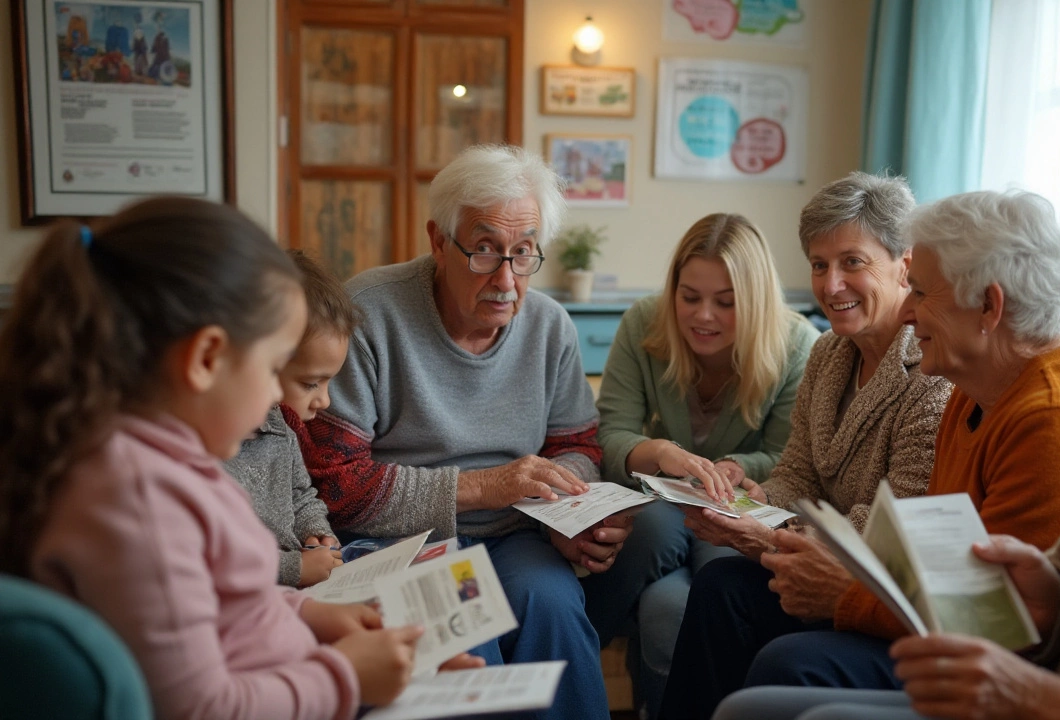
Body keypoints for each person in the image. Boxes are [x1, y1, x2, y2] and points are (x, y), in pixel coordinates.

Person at [712, 119, 1060, 720]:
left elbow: (1022, 651)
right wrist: (1053, 594)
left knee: (793, 684)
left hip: (1046, 691)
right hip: (1019, 667)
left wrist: (851, 592)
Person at [662, 189, 1060, 720]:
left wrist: (838, 588)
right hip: (940, 615)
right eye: (820, 265)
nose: (908, 313)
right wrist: (758, 514)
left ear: (989, 305)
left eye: (921, 293)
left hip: (1013, 669)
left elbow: (1007, 632)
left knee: (792, 662)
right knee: (723, 588)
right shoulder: (975, 389)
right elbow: (932, 548)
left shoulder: (1053, 419)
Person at [0, 198, 481, 720]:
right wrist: (346, 676)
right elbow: (200, 707)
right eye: (274, 368)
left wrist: (312, 613)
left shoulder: (163, 461)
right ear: (207, 359)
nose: (280, 398)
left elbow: (226, 608)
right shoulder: (141, 499)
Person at [299, 144, 629, 720]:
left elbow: (576, 446)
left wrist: (566, 510)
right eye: (484, 250)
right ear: (437, 241)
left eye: (523, 253)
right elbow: (337, 484)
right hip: (399, 546)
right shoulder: (369, 312)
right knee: (465, 629)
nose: (506, 278)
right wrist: (485, 486)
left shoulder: (550, 327)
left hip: (517, 534)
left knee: (552, 604)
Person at [658, 172, 953, 720]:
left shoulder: (933, 371)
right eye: (819, 265)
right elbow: (800, 475)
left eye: (852, 263)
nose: (831, 284)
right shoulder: (827, 355)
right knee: (721, 584)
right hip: (820, 560)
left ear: (904, 263)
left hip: (884, 593)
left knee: (758, 620)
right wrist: (748, 498)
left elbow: (898, 524)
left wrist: (769, 533)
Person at [590, 212, 820, 715]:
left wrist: (737, 466)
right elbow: (608, 436)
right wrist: (662, 453)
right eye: (689, 297)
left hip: (738, 511)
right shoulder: (644, 324)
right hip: (663, 505)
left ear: (756, 301)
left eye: (726, 302)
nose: (704, 316)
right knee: (652, 529)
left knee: (680, 596)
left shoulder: (799, 344)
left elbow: (793, 458)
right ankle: (576, 658)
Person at [223, 250, 360, 588]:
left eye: (330, 382)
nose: (325, 400)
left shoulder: (280, 428)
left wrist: (317, 533)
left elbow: (301, 496)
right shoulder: (215, 449)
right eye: (310, 383)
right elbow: (223, 556)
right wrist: (292, 568)